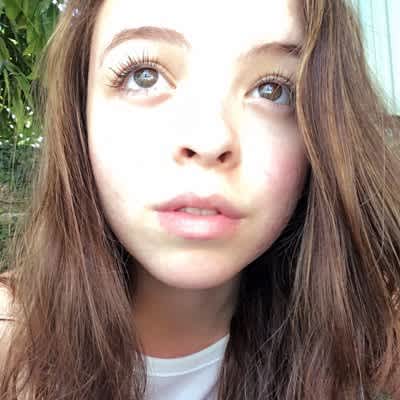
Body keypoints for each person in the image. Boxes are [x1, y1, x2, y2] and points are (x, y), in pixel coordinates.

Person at [0, 0, 399, 399]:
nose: (209, 139)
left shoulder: (370, 329)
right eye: (144, 76)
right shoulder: (9, 335)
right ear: (79, 111)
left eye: (273, 89)